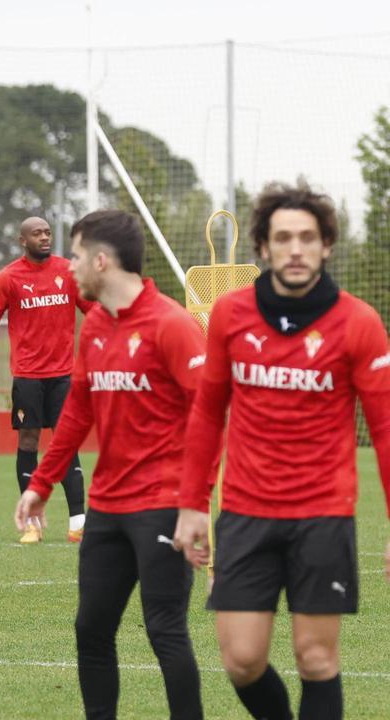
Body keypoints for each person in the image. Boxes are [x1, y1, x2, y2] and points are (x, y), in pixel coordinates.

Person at [173, 184, 390, 720]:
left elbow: (386, 429)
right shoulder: (230, 313)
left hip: (323, 514)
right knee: (241, 659)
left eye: (308, 238)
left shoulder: (358, 322)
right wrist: (192, 503)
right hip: (247, 512)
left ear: (326, 246)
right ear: (263, 249)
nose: (296, 248)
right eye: (283, 238)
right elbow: (206, 412)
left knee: (316, 657)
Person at [15, 209, 206, 720]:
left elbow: (209, 420)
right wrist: (41, 484)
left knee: (165, 628)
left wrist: (195, 504)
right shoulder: (96, 324)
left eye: (76, 255)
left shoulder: (171, 324)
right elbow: (78, 411)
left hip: (163, 507)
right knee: (91, 629)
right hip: (108, 509)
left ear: (102, 260)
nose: (69, 265)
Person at [0, 215, 94, 543]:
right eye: (37, 233)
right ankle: (32, 524)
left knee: (66, 441)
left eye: (47, 232)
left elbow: (92, 312)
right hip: (27, 377)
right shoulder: (9, 278)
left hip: (64, 375)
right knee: (28, 441)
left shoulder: (67, 271)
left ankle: (78, 522)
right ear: (22, 240)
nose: (44, 237)